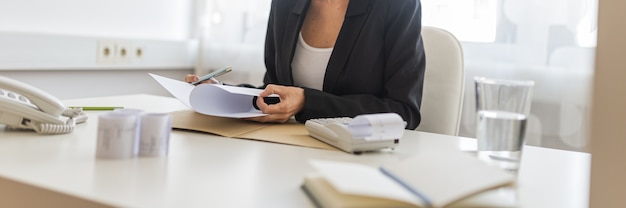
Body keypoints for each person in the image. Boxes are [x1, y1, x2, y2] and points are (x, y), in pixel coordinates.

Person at [186, 0, 425, 129]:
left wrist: (306, 102)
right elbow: (274, 89)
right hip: (287, 153)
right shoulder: (284, 4)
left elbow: (404, 112)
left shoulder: (398, 5)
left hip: (361, 161)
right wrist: (224, 92)